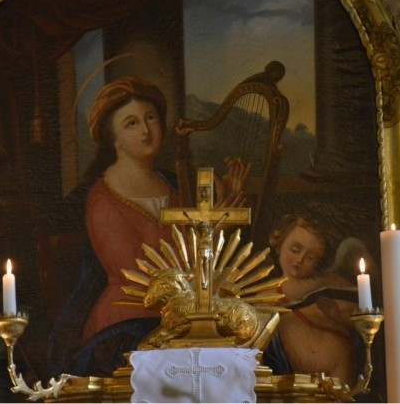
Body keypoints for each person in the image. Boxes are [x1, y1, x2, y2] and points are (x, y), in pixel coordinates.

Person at [49, 76, 250, 376]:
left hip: (183, 315)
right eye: (131, 123)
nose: (146, 130)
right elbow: (142, 276)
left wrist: (226, 210)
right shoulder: (102, 198)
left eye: (151, 118)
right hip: (127, 323)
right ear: (114, 139)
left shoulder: (174, 183)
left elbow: (202, 261)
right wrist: (213, 232)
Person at [264, 212, 359, 386]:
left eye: (310, 257)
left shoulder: (330, 283)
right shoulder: (264, 293)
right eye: (295, 250)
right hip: (290, 380)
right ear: (279, 245)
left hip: (339, 374)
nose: (299, 260)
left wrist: (337, 315)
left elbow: (362, 319)